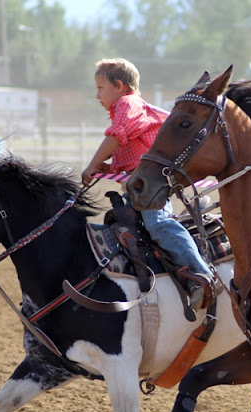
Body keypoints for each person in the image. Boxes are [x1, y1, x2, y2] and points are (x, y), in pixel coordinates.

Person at [82, 58, 211, 308]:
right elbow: (127, 156)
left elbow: (116, 136)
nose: (97, 95)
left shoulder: (127, 104)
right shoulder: (127, 108)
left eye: (100, 88)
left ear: (119, 86)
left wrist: (91, 165)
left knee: (158, 224)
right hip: (139, 185)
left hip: (153, 186)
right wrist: (107, 168)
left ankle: (200, 275)